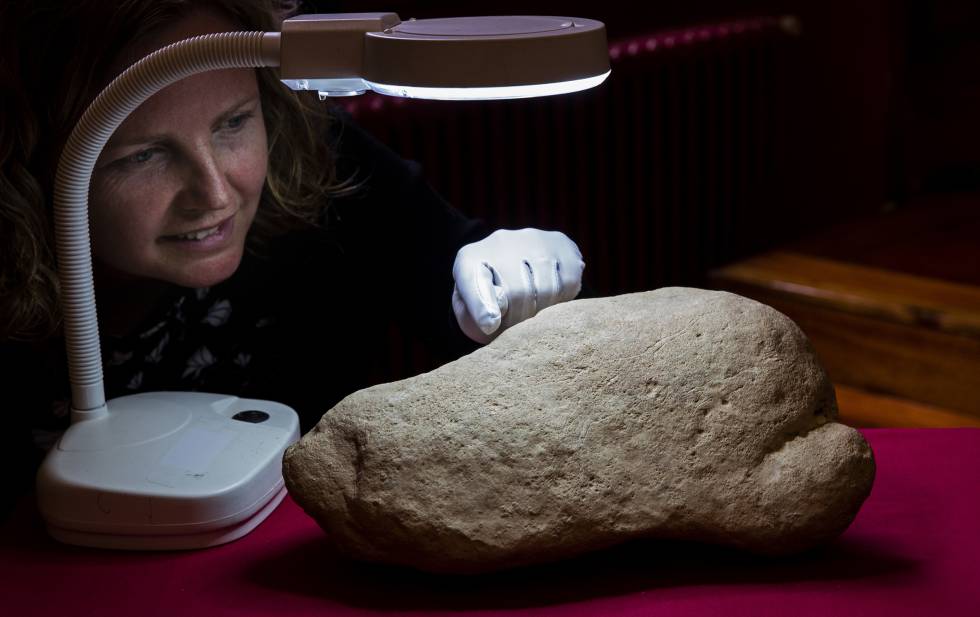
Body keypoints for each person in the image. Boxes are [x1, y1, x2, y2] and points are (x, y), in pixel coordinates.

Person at [0, 0, 586, 516]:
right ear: (35, 161)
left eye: (233, 123)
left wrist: (512, 283)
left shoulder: (317, 157)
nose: (216, 194)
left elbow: (449, 271)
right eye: (144, 155)